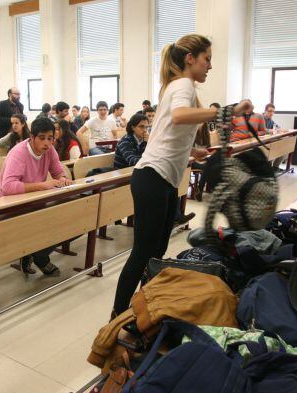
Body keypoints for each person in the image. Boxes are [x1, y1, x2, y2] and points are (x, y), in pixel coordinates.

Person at [113, 34, 216, 316]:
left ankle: (144, 307)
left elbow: (167, 133)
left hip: (162, 180)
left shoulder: (176, 86)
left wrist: (192, 152)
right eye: (207, 59)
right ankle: (116, 316)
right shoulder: (183, 84)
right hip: (152, 178)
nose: (209, 66)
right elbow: (181, 116)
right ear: (190, 59)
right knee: (143, 253)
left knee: (155, 253)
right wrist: (221, 112)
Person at [0, 117, 72, 276]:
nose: (47, 143)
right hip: (12, 205)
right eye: (42, 138)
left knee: (72, 216)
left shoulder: (50, 150)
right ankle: (39, 256)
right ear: (31, 137)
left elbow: (58, 172)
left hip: (35, 202)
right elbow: (7, 187)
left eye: (50, 138)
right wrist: (43, 185)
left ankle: (37, 253)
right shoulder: (18, 154)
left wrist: (64, 179)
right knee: (54, 220)